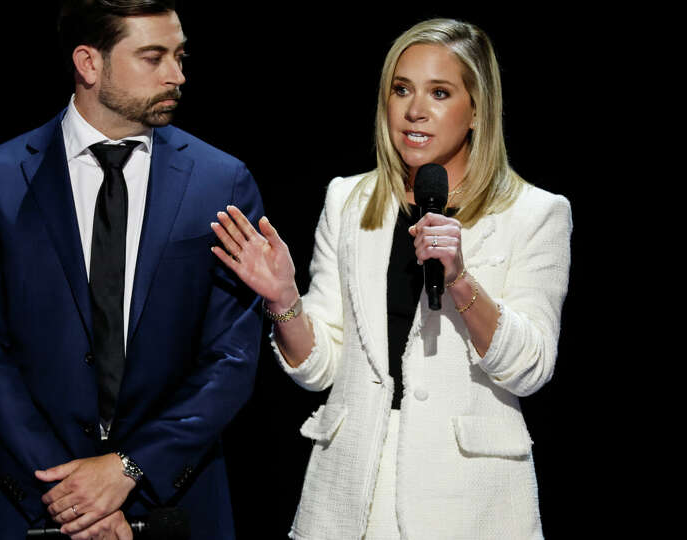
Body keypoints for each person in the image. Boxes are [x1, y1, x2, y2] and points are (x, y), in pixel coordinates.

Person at [212, 18, 571, 539]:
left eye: (440, 92)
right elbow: (320, 369)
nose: (414, 110)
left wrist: (461, 282)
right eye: (401, 89)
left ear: (476, 110)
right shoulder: (350, 200)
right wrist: (285, 300)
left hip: (471, 499)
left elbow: (530, 369)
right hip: (351, 490)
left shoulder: (535, 213)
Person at [0, 1, 263, 538]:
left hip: (174, 506)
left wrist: (129, 468)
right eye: (153, 57)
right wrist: (70, 495)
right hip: (30, 504)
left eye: (179, 56)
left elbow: (232, 355)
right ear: (89, 64)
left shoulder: (222, 180)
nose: (177, 74)